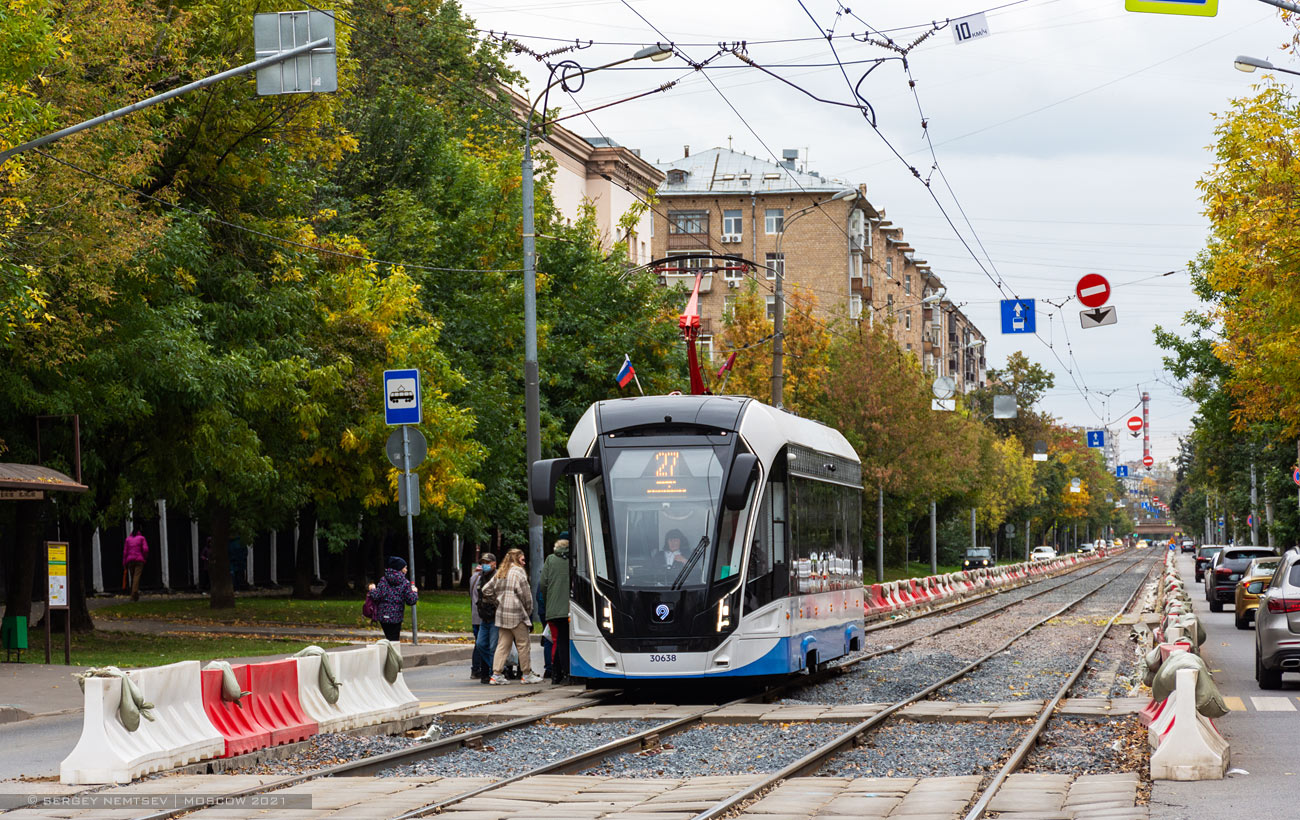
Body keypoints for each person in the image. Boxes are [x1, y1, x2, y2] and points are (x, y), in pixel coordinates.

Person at [486, 548, 542, 685]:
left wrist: (497, 601)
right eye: (522, 560)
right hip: (517, 614)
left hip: (502, 614)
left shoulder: (501, 572)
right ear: (516, 559)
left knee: (502, 645)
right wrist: (528, 611)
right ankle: (526, 674)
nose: (524, 563)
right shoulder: (519, 572)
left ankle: (496, 674)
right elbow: (527, 596)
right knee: (523, 644)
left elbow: (486, 590)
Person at [539, 536, 571, 684]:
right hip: (569, 608)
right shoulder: (573, 560)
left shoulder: (550, 559)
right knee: (564, 641)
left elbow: (543, 583)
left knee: (559, 640)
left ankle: (556, 674)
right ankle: (565, 673)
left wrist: (549, 602)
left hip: (553, 609)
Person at [367, 556, 419, 642]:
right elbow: (411, 601)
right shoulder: (405, 582)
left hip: (383, 616)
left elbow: (376, 596)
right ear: (399, 568)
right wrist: (415, 592)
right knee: (394, 640)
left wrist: (372, 589)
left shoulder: (383, 580)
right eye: (405, 568)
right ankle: (392, 650)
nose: (406, 570)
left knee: (389, 638)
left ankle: (389, 649)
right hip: (396, 617)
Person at [471, 553, 499, 683]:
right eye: (483, 562)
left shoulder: (498, 577)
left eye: (487, 562)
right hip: (483, 617)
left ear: (494, 563)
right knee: (481, 645)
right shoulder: (480, 577)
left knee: (493, 647)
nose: (485, 565)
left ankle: (495, 672)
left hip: (495, 617)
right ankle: (497, 668)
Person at [122, 527, 149, 601]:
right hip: (139, 560)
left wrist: (124, 563)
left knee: (133, 577)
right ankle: (134, 593)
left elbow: (125, 552)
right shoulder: (142, 538)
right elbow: (145, 549)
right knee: (136, 577)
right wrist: (144, 557)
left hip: (130, 561)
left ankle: (134, 596)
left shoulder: (128, 539)